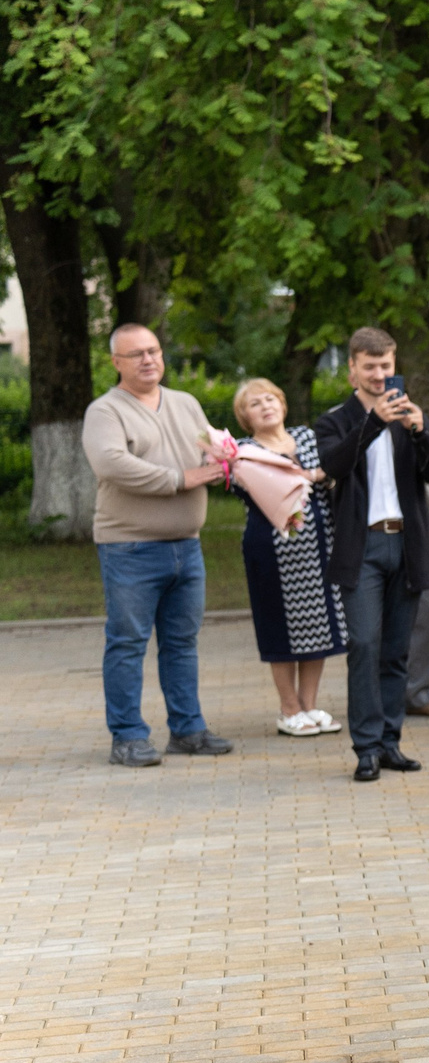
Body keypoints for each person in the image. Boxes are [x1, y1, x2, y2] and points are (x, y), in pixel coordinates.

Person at [82, 323, 235, 767]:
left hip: (187, 546)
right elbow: (112, 464)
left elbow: (215, 449)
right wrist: (180, 479)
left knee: (182, 642)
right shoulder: (105, 412)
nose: (148, 360)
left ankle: (188, 730)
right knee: (128, 642)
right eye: (136, 354)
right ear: (116, 363)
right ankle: (127, 737)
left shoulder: (186, 404)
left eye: (153, 351)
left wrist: (231, 458)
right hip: (129, 548)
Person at [313, 326, 429, 782]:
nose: (379, 375)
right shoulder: (335, 420)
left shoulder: (410, 415)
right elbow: (331, 466)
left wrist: (420, 432)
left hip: (407, 544)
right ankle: (365, 748)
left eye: (386, 366)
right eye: (369, 366)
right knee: (364, 645)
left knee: (395, 651)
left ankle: (390, 743)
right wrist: (375, 422)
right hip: (363, 546)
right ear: (352, 368)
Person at [230, 378, 346, 736]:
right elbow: (254, 488)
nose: (265, 406)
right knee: (281, 627)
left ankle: (309, 705)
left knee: (318, 625)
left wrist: (318, 475)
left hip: (320, 547)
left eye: (270, 398)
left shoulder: (308, 437)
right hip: (273, 552)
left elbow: (333, 475)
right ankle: (288, 708)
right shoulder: (243, 450)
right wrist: (314, 475)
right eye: (254, 403)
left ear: (282, 403)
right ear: (245, 417)